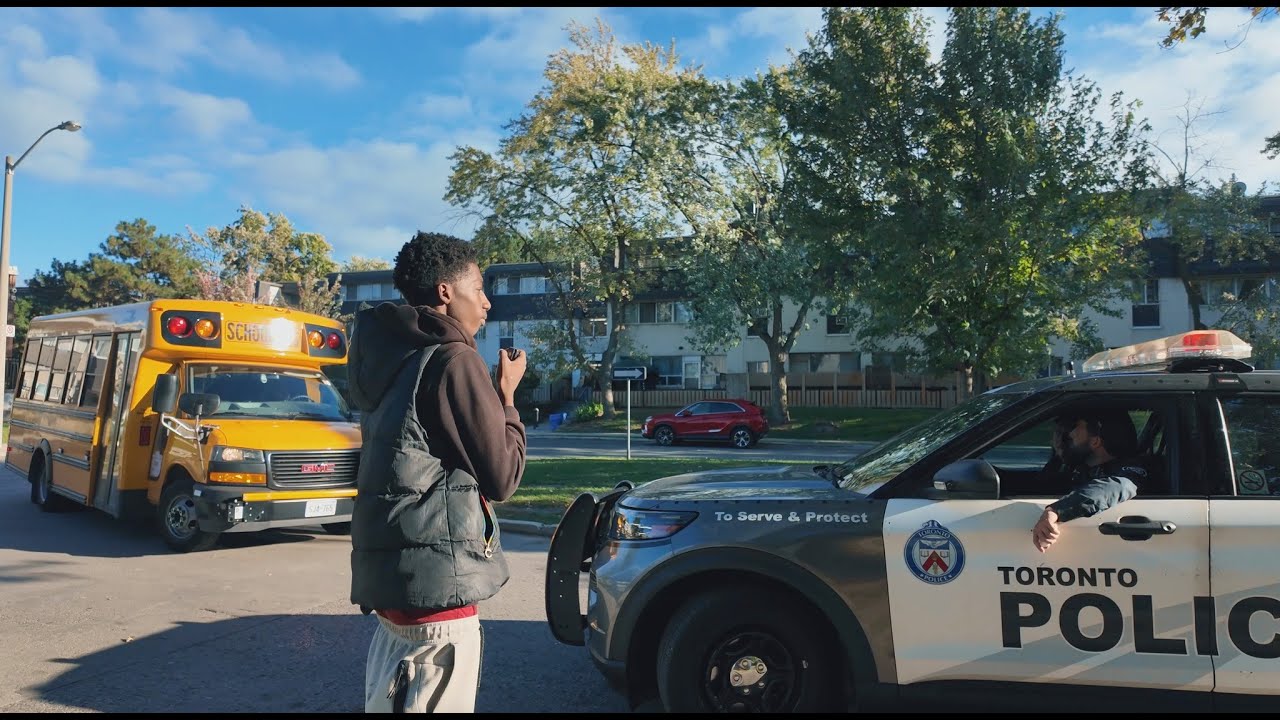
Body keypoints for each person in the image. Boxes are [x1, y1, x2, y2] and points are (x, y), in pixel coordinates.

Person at [347, 231, 527, 713]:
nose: (487, 303)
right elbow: (503, 476)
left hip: (394, 601)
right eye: (479, 287)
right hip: (439, 607)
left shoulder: (391, 357)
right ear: (446, 292)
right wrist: (507, 397)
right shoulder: (453, 358)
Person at [1032, 409, 1147, 553]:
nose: (1068, 435)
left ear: (1095, 441)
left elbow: (1120, 486)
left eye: (1073, 428)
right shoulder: (1078, 468)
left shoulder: (1129, 471)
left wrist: (1057, 510)